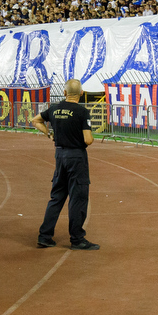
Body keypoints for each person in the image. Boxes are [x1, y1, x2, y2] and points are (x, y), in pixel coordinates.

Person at [33, 79, 98, 250]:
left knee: (57, 197)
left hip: (60, 156)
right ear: (81, 94)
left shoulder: (54, 109)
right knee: (78, 198)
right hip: (76, 158)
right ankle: (77, 239)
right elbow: (88, 140)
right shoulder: (82, 112)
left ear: (64, 93)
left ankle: (45, 236)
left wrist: (49, 134)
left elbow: (36, 120)